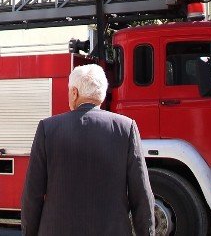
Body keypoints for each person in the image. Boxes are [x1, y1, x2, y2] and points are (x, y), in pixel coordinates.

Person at [21, 64, 155, 236]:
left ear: (75, 92)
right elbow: (141, 195)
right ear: (102, 94)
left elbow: (32, 195)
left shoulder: (48, 129)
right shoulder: (125, 128)